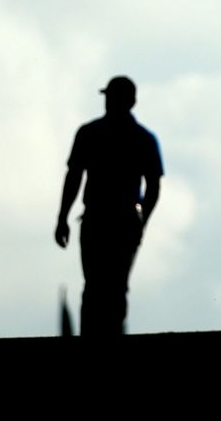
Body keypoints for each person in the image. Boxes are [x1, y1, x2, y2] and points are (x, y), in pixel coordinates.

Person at [55, 76, 164, 335]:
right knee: (109, 286)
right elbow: (153, 186)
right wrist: (142, 221)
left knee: (100, 285)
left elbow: (74, 177)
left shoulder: (91, 133)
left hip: (104, 219)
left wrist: (62, 218)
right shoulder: (142, 138)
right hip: (114, 219)